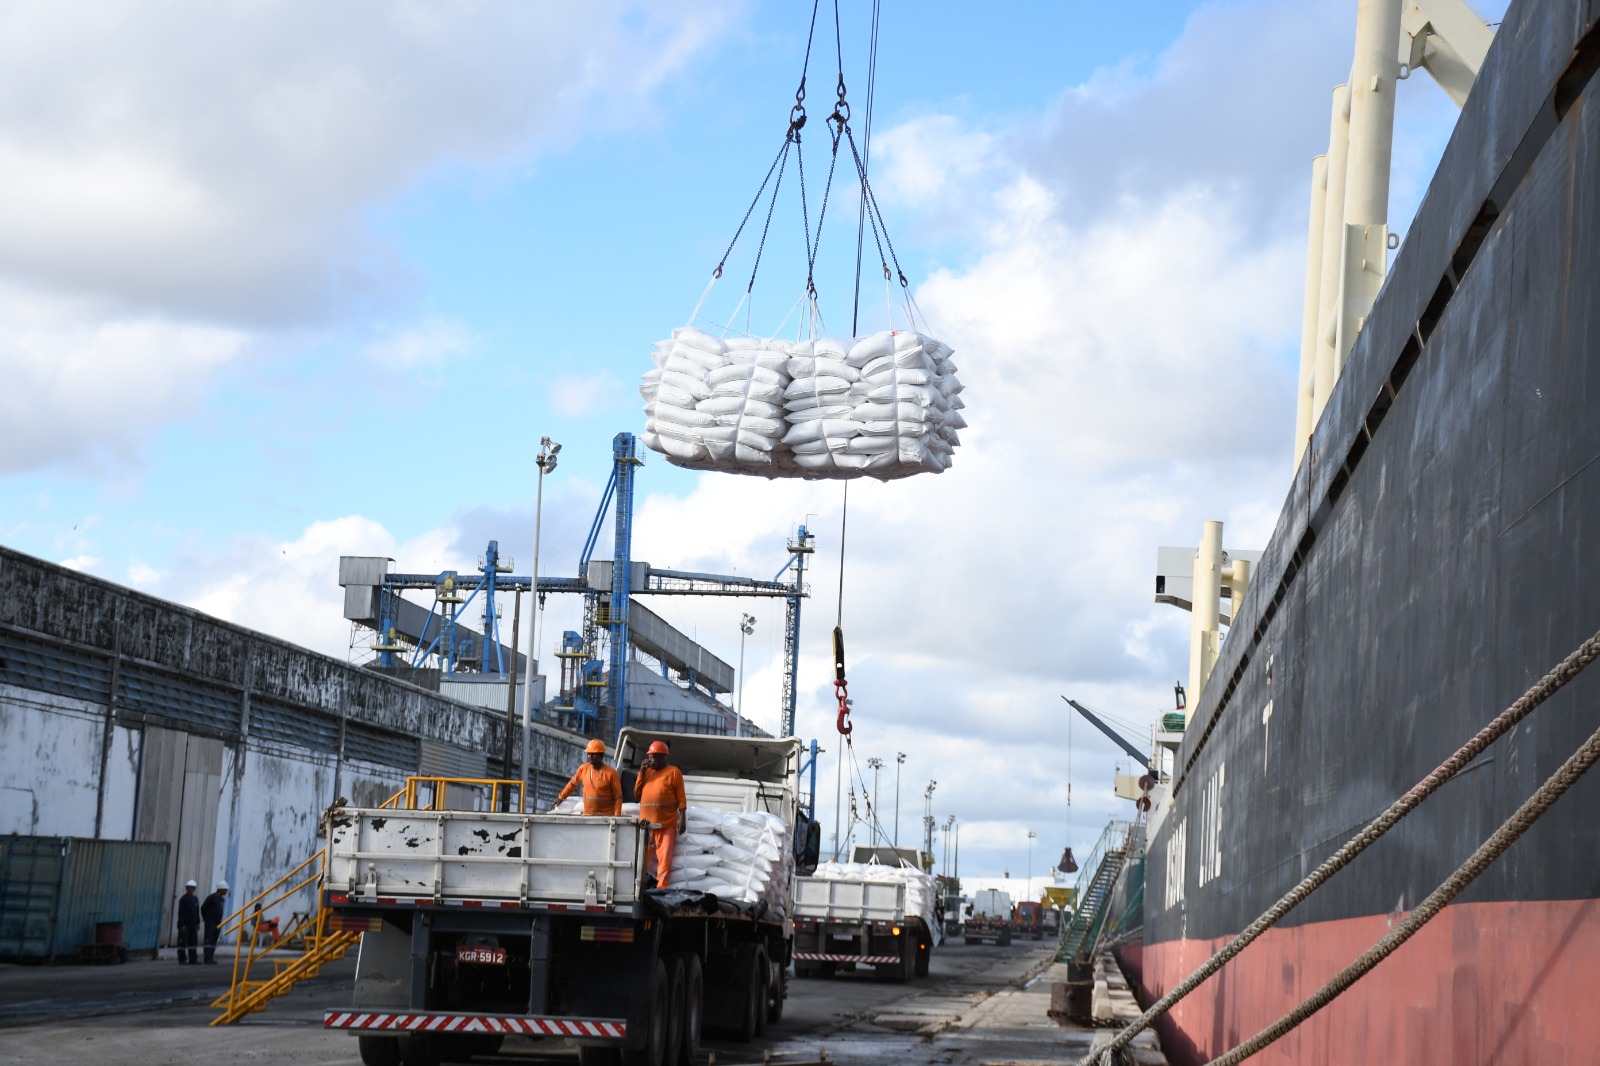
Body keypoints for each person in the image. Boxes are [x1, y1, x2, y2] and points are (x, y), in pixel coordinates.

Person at [633, 740, 686, 888]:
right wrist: (641, 774)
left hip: (666, 825)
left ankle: (661, 889)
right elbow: (637, 794)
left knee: (664, 861)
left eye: (654, 757)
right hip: (646, 826)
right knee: (641, 859)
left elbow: (681, 797)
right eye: (649, 756)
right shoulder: (647, 773)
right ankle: (638, 887)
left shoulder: (673, 772)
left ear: (663, 757)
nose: (650, 760)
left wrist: (682, 817)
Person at [554, 739, 623, 815]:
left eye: (593, 754)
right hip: (587, 815)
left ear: (601, 755)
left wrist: (616, 818)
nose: (590, 756)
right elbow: (572, 784)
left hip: (605, 816)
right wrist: (561, 797)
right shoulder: (583, 769)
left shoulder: (611, 773)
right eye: (588, 754)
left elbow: (618, 797)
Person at [201, 881, 229, 964]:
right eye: (225, 889)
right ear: (220, 889)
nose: (226, 891)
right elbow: (203, 908)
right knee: (209, 939)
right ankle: (207, 957)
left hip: (218, 922)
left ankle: (211, 957)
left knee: (214, 939)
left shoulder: (222, 899)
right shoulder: (211, 898)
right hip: (210, 922)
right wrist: (206, 918)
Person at [176, 879, 200, 964]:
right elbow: (181, 912)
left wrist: (198, 923)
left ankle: (193, 959)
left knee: (193, 942)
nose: (191, 889)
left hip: (193, 924)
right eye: (189, 888)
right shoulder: (183, 899)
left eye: (193, 888)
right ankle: (182, 959)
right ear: (186, 888)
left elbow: (197, 912)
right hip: (185, 924)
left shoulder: (195, 899)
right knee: (182, 942)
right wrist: (181, 924)